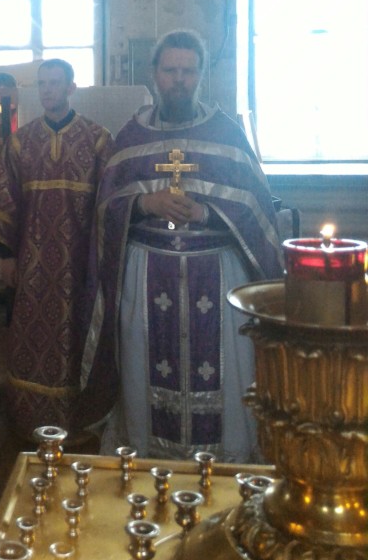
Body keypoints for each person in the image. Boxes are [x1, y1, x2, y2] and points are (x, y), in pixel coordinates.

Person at [82, 29, 283, 463]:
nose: (179, 80)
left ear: (201, 75)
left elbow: (258, 208)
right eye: (170, 70)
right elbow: (104, 210)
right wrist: (143, 203)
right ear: (154, 73)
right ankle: (147, 463)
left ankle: (225, 468)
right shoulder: (131, 137)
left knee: (226, 373)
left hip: (217, 276)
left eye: (188, 71)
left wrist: (208, 213)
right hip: (146, 275)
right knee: (142, 370)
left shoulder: (226, 133)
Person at [0, 59, 115, 440]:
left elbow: (111, 203)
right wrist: (7, 256)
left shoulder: (98, 139)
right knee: (32, 338)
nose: (47, 90)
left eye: (55, 83)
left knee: (78, 337)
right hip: (34, 264)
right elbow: (4, 200)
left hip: (81, 266)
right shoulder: (21, 142)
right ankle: (29, 419)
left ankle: (79, 421)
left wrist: (105, 261)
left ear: (71, 87)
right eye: (42, 84)